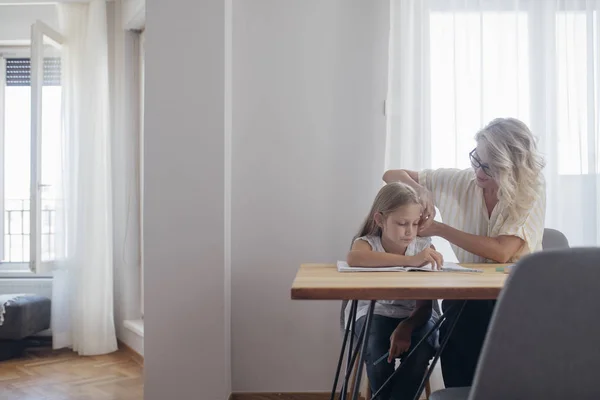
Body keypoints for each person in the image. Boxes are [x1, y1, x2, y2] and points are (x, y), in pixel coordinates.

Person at [382, 117, 546, 388]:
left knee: (465, 312)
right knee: (459, 307)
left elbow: (502, 252)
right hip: (471, 294)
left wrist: (438, 228)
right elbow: (391, 175)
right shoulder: (462, 181)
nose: (479, 172)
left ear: (510, 167)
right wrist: (420, 188)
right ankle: (463, 392)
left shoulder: (530, 191)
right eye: (476, 159)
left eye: (489, 167)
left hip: (518, 294)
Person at [345, 182, 443, 400]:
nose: (410, 232)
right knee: (377, 349)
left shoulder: (424, 248)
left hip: (416, 315)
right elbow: (354, 258)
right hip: (374, 312)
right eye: (401, 223)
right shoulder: (367, 244)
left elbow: (425, 306)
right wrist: (410, 260)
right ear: (380, 220)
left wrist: (407, 326)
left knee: (420, 352)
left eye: (415, 223)